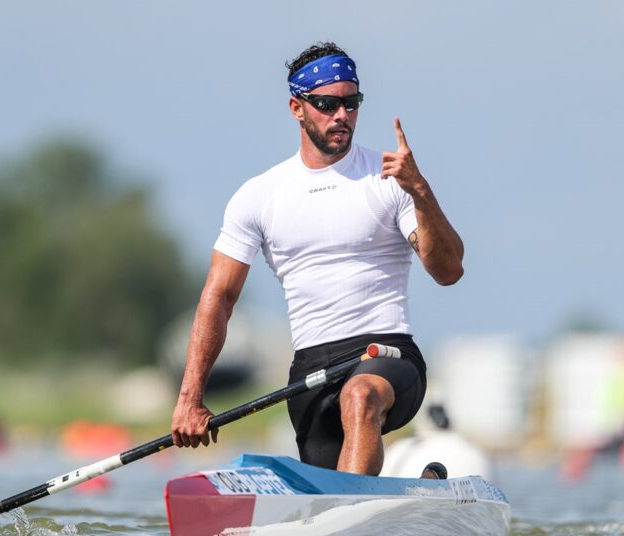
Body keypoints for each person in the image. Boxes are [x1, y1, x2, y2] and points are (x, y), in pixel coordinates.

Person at [171, 42, 464, 476]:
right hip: (310, 370)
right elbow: (219, 296)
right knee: (331, 484)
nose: (342, 115)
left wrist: (420, 191)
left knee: (360, 397)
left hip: (386, 354)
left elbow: (449, 271)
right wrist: (189, 398)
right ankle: (388, 499)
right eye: (328, 104)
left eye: (352, 103)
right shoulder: (259, 196)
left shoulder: (390, 181)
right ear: (297, 107)